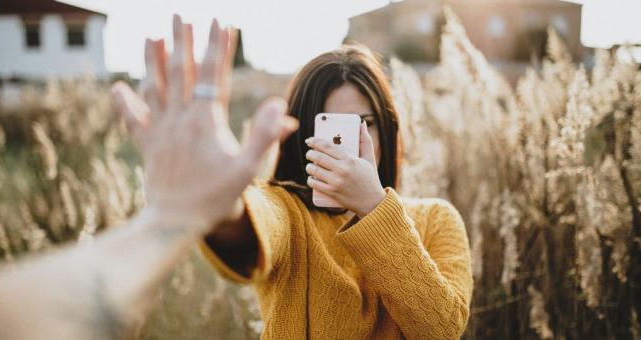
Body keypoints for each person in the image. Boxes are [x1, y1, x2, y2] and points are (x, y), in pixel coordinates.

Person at [0, 15, 298, 340]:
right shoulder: (291, 209)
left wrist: (173, 215)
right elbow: (271, 224)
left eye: (352, 126)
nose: (334, 144)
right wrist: (176, 214)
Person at [195, 32, 473, 340]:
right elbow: (251, 228)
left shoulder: (437, 219)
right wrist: (224, 202)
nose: (347, 146)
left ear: (386, 127)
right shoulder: (287, 211)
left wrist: (374, 209)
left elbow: (442, 330)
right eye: (332, 130)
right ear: (302, 137)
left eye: (364, 124)